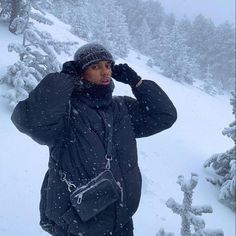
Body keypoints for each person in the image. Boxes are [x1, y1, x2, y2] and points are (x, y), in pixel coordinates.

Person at [11, 43, 177, 236]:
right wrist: (65, 80)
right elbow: (30, 120)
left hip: (121, 220)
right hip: (78, 223)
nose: (105, 72)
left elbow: (165, 115)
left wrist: (137, 83)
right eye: (95, 67)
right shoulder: (66, 111)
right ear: (81, 73)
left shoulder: (122, 108)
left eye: (108, 65)